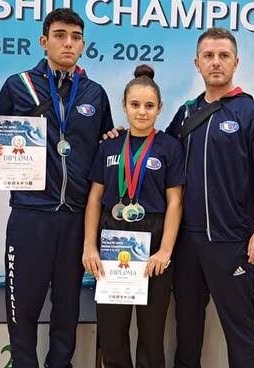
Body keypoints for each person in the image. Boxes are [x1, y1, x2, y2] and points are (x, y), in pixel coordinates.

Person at [0, 8, 113, 368]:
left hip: (77, 218)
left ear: (83, 45)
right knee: (23, 304)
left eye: (75, 37)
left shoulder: (95, 94)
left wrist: (114, 140)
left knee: (67, 305)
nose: (68, 42)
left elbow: (104, 144)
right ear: (44, 41)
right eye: (60, 35)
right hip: (30, 216)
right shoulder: (18, 85)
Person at [165, 28, 254, 368]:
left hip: (231, 241)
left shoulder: (253, 114)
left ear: (236, 62)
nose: (216, 62)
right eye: (208, 56)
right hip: (186, 243)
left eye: (223, 56)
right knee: (186, 331)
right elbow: (162, 157)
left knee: (242, 332)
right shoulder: (186, 113)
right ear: (197, 63)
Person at [82, 65, 184, 368]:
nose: (142, 112)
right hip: (113, 237)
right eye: (135, 105)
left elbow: (175, 202)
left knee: (152, 335)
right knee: (112, 334)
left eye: (149, 106)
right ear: (124, 106)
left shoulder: (169, 146)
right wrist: (90, 245)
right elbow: (95, 199)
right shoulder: (110, 145)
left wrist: (165, 251)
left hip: (153, 241)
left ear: (159, 108)